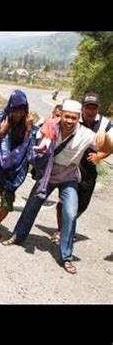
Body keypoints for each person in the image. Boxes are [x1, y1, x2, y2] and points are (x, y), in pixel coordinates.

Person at [3, 99, 110, 274]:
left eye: (73, 118)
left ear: (78, 118)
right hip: (48, 175)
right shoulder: (50, 127)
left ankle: (66, 257)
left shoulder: (86, 134)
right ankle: (17, 236)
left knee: (70, 213)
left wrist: (104, 141)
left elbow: (107, 148)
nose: (69, 121)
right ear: (62, 116)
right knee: (32, 206)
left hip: (69, 177)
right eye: (66, 117)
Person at [50, 93, 112, 244]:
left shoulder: (105, 124)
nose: (91, 111)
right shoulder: (74, 117)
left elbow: (111, 146)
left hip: (88, 168)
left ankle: (68, 223)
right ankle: (62, 231)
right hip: (70, 166)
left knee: (82, 204)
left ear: (98, 108)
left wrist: (100, 156)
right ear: (82, 107)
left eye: (94, 107)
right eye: (88, 107)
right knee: (65, 200)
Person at [0, 90, 37, 242]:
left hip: (13, 169)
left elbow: (27, 145)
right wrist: (2, 132)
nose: (18, 114)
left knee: (7, 203)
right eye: (16, 110)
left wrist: (29, 130)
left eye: (22, 110)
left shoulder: (27, 122)